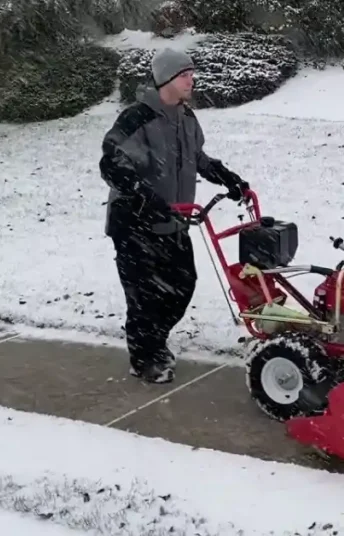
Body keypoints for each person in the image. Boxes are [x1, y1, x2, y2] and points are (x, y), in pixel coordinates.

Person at [99, 47, 249, 384]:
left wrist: (227, 177)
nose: (191, 80)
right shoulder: (137, 118)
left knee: (181, 286)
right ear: (166, 78)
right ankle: (144, 359)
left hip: (173, 220)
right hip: (135, 223)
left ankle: (154, 341)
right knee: (143, 297)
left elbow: (198, 158)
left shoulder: (186, 118)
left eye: (192, 74)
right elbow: (111, 163)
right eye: (185, 75)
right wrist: (142, 193)